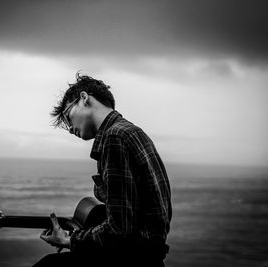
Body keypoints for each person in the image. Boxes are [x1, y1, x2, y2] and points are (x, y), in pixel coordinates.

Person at [33, 72, 172, 267]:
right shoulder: (131, 131)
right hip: (150, 255)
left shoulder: (114, 138)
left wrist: (70, 240)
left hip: (134, 259)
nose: (70, 129)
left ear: (84, 98)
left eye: (67, 116)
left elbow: (120, 229)